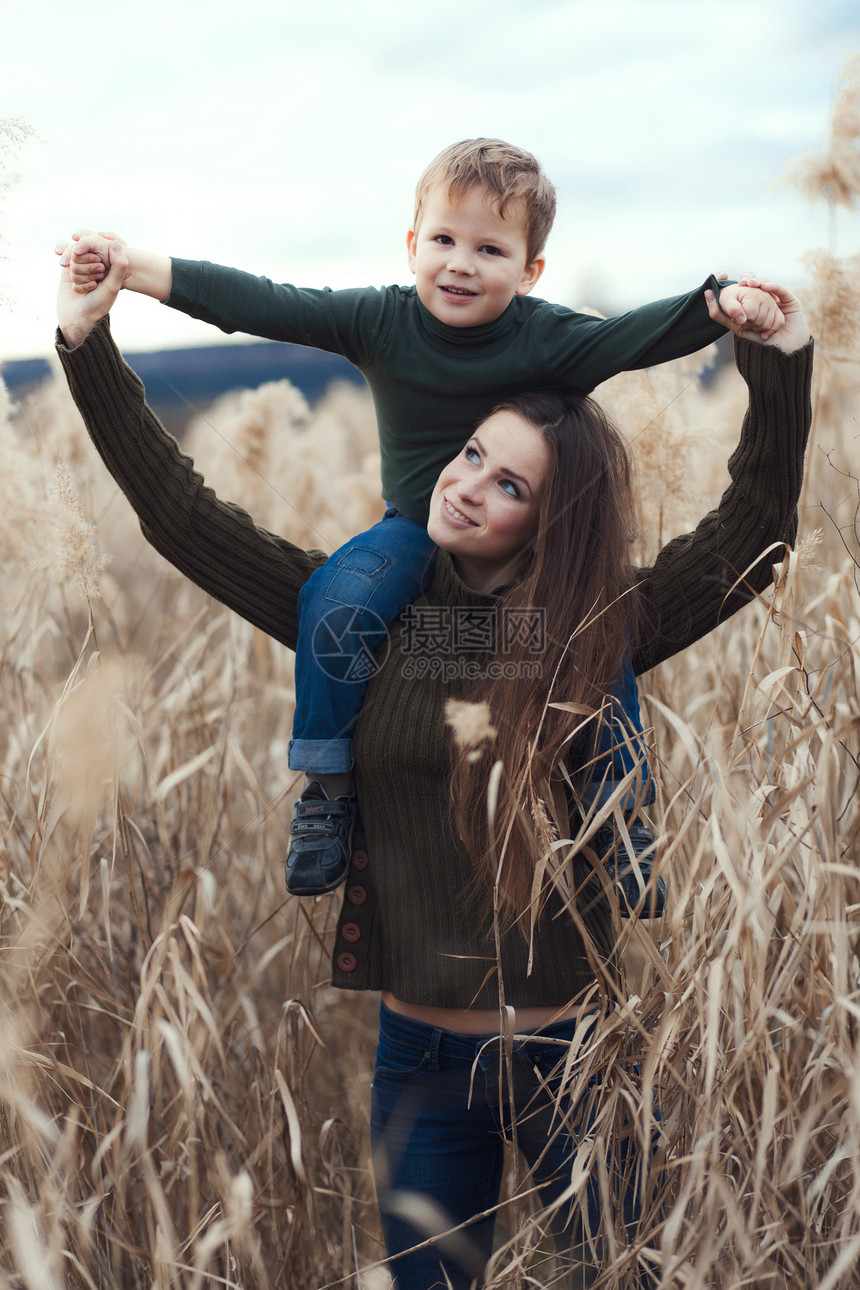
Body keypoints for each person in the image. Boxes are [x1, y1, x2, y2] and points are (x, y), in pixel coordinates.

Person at [55, 246, 812, 1289]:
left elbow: (752, 532)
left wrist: (777, 359)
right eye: (467, 455)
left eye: (509, 484)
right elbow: (183, 518)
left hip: (571, 1063)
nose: (465, 487)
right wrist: (86, 346)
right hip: (415, 1063)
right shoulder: (362, 619)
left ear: (551, 516)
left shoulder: (595, 626)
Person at [56, 138, 786, 902]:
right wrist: (131, 271)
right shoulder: (380, 320)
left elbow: (633, 337)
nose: (461, 262)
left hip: (534, 552)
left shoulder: (548, 336)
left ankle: (616, 820)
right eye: (443, 239)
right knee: (336, 600)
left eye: (490, 248)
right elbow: (266, 302)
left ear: (531, 270)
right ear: (412, 247)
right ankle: (327, 796)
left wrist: (721, 304)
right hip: (410, 529)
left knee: (598, 625)